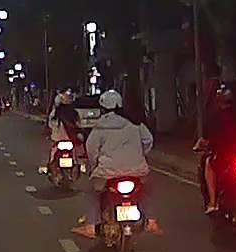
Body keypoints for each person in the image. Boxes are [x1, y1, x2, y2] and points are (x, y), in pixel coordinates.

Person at [72, 89, 155, 239]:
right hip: (137, 170)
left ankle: (91, 226)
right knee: (146, 192)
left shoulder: (99, 127)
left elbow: (91, 150)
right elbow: (148, 140)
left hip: (107, 172)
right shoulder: (135, 123)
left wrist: (94, 166)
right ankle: (151, 221)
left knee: (92, 193)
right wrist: (140, 154)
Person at [197, 81, 236, 213]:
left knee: (208, 163)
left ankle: (213, 202)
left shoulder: (215, 116)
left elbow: (205, 139)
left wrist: (201, 145)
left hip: (226, 156)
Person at [45, 89, 83, 166]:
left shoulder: (54, 114)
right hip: (70, 140)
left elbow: (50, 125)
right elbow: (79, 125)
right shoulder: (74, 113)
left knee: (52, 157)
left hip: (58, 140)